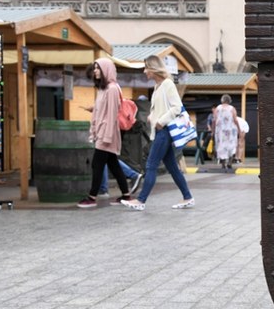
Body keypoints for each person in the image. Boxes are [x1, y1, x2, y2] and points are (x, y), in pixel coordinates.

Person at [121, 55, 194, 211]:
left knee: (151, 165)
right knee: (172, 167)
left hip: (165, 131)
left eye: (146, 67)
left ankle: (141, 201)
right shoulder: (157, 86)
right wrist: (152, 117)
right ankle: (188, 197)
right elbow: (161, 108)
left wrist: (161, 121)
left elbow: (176, 107)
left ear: (153, 69)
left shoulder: (168, 84)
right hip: (160, 131)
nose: (145, 71)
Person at [77, 58, 131, 208]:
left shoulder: (112, 89)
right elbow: (103, 110)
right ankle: (126, 195)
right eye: (94, 68)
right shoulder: (103, 89)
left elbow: (112, 115)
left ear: (106, 70)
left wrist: (106, 137)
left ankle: (92, 197)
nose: (95, 71)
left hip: (108, 134)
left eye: (98, 68)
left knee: (97, 164)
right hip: (102, 132)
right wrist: (93, 110)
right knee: (113, 165)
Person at [212, 94, 241, 170]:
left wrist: (213, 130)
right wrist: (239, 128)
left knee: (221, 146)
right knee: (231, 146)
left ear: (222, 100)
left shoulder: (218, 108)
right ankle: (230, 163)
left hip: (220, 131)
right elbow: (235, 120)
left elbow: (214, 120)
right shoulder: (232, 108)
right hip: (231, 130)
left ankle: (223, 164)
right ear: (229, 101)